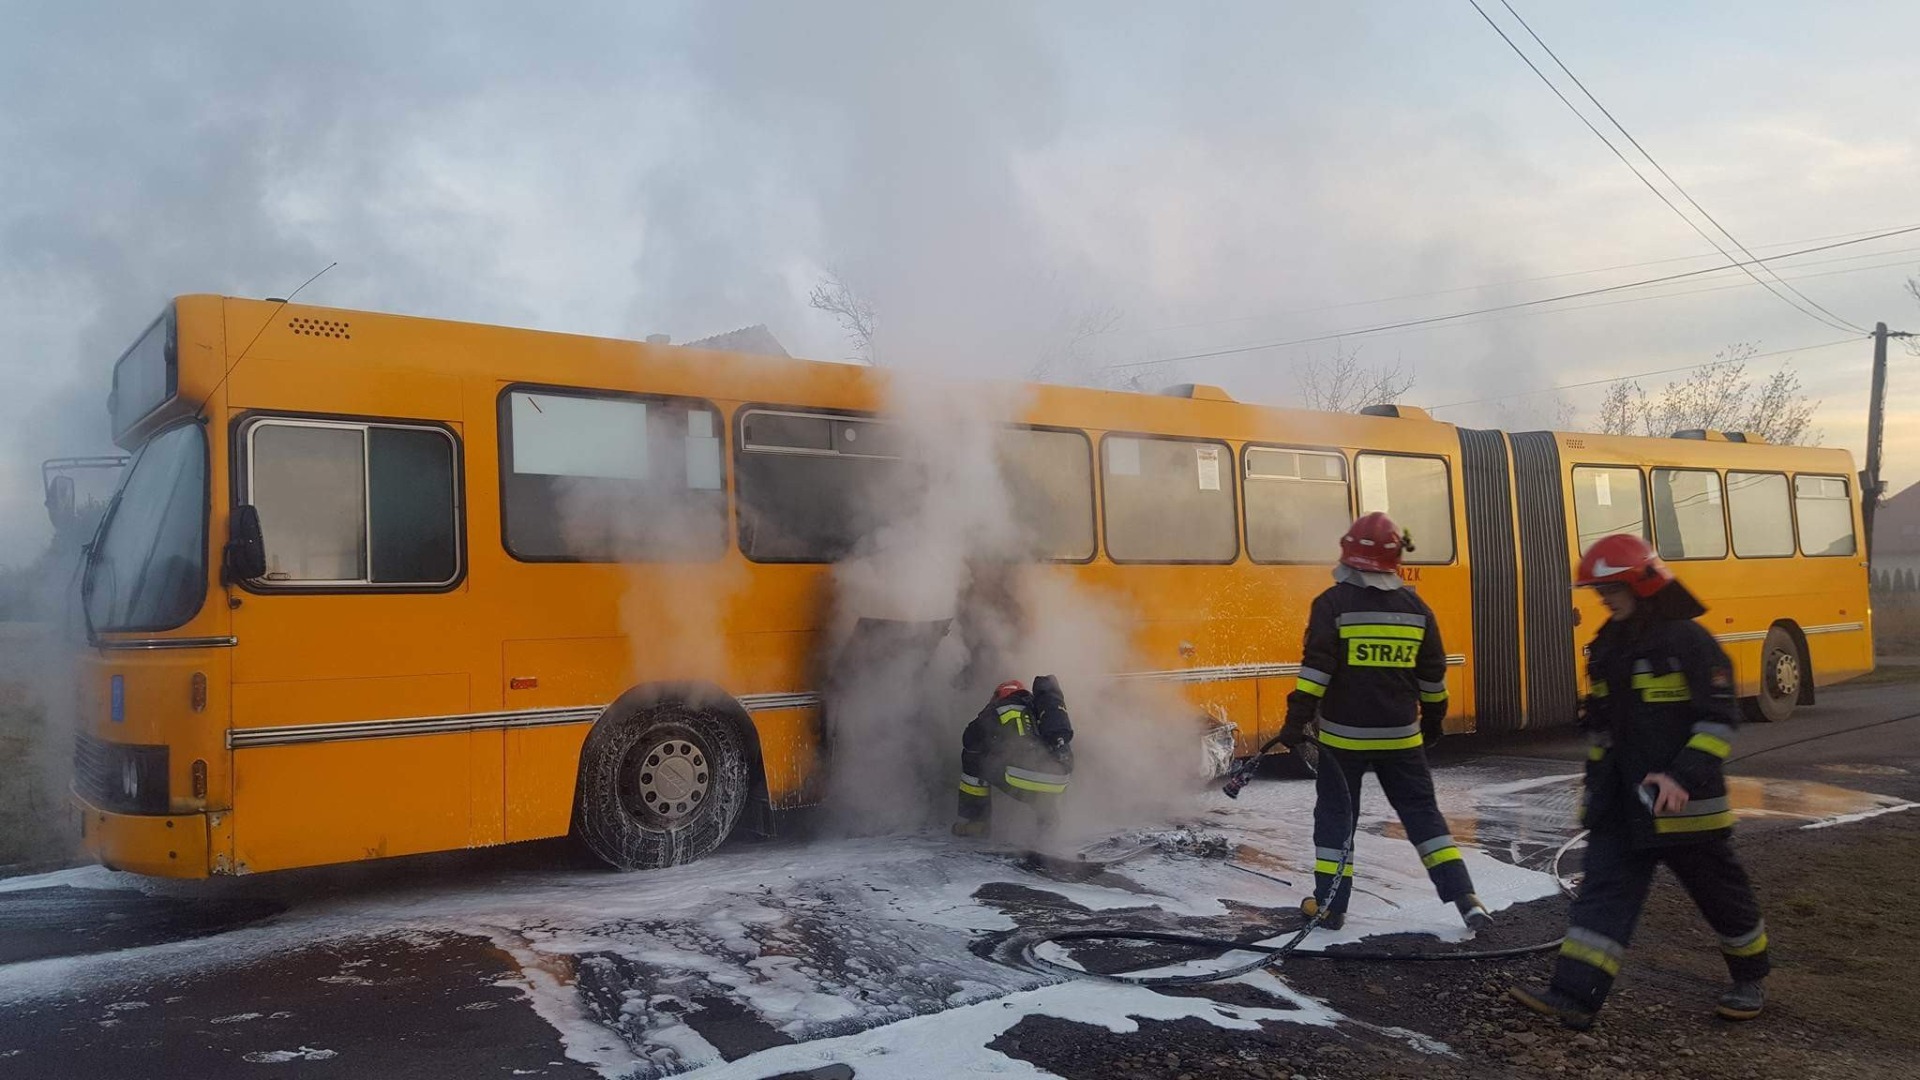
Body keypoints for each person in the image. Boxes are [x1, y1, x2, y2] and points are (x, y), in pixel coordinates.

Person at [1512, 533, 1769, 1029]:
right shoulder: (1608, 644)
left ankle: (1750, 978)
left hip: (1685, 808)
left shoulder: (1689, 641)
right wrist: (1596, 792)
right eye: (1597, 590)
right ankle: (1573, 998)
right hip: (1622, 807)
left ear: (1641, 583)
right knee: (1603, 895)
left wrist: (1680, 777)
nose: (1602, 598)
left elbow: (1718, 720)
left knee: (1721, 896)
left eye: (1610, 589)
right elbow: (1603, 730)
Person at [1279, 512, 1491, 931]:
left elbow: (1316, 673)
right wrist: (1432, 722)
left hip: (1343, 741)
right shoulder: (1417, 608)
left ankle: (1330, 907)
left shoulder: (1332, 604)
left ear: (1349, 554)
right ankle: (1466, 899)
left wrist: (1295, 722)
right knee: (1424, 816)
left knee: (1337, 818)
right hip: (1401, 740)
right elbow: (1432, 678)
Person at [953, 676, 1074, 839]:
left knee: (973, 756)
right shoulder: (1040, 713)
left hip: (1021, 778)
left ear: (1000, 694)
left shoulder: (1000, 707)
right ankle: (1048, 821)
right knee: (1043, 769)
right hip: (1059, 781)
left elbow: (969, 738)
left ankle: (977, 823)